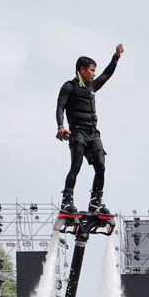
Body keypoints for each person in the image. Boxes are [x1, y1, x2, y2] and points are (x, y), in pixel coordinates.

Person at [56, 44, 124, 216]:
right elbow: (60, 107)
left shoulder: (92, 87)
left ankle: (96, 201)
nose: (94, 74)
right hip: (77, 131)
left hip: (93, 132)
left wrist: (115, 58)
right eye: (92, 70)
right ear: (82, 69)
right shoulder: (69, 87)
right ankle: (67, 200)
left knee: (101, 166)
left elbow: (106, 74)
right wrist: (61, 127)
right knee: (76, 165)